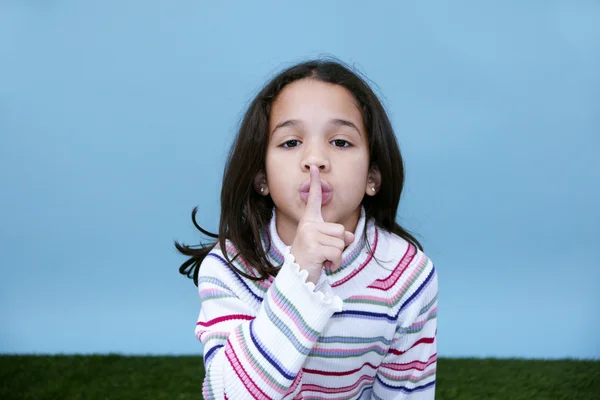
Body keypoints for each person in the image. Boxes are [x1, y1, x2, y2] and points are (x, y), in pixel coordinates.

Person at [175, 59, 438, 399]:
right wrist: (299, 275)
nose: (315, 159)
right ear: (261, 179)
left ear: (373, 177)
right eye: (291, 142)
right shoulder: (229, 269)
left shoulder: (408, 275)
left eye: (340, 142)